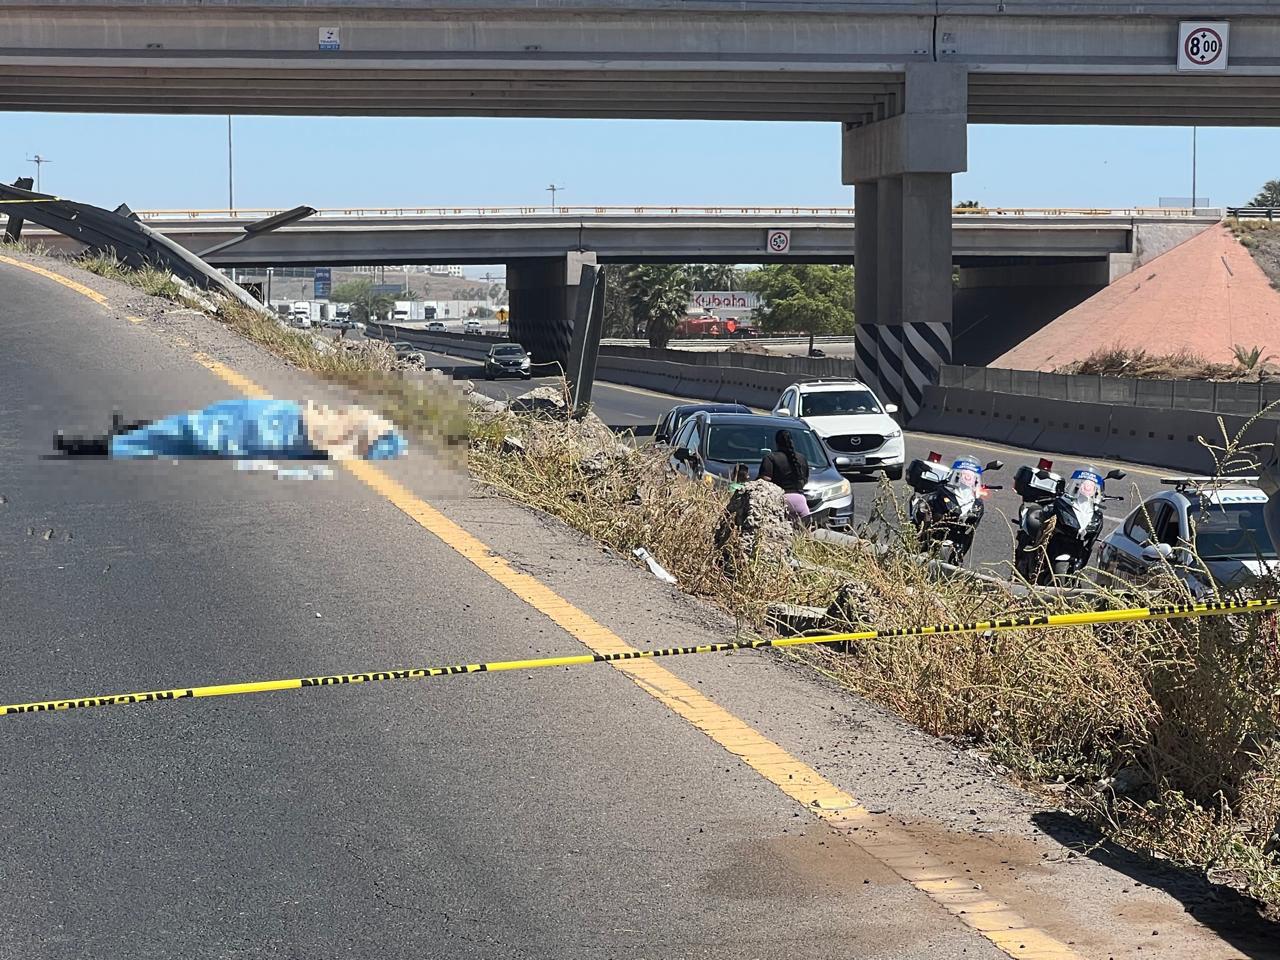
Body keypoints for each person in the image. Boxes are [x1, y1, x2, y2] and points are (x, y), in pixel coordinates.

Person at [53, 398, 407, 461]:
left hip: (272, 421)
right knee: (185, 434)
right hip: (274, 427)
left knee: (187, 430)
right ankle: (108, 439)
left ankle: (106, 440)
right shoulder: (377, 434)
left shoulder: (371, 423)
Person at [758, 429, 810, 520]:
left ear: (776, 442)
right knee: (805, 531)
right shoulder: (801, 458)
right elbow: (805, 479)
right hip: (800, 500)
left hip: (779, 501)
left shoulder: (770, 458)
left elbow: (764, 480)